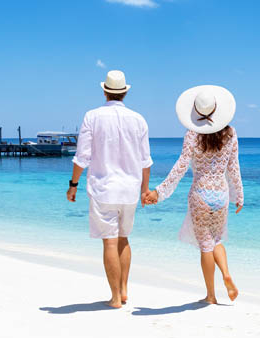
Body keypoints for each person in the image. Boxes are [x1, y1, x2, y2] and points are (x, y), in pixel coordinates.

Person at [144, 85, 244, 304]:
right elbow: (233, 167)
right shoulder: (231, 133)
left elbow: (181, 167)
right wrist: (239, 196)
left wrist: (159, 192)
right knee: (217, 239)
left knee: (205, 245)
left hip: (200, 194)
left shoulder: (192, 134)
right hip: (221, 195)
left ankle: (210, 296)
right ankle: (226, 274)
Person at [67, 70, 153, 309]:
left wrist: (73, 185)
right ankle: (124, 290)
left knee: (110, 243)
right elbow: (146, 161)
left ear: (105, 91)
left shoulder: (92, 117)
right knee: (124, 239)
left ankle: (115, 298)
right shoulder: (139, 119)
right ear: (124, 92)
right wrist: (145, 190)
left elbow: (82, 157)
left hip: (104, 189)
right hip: (130, 190)